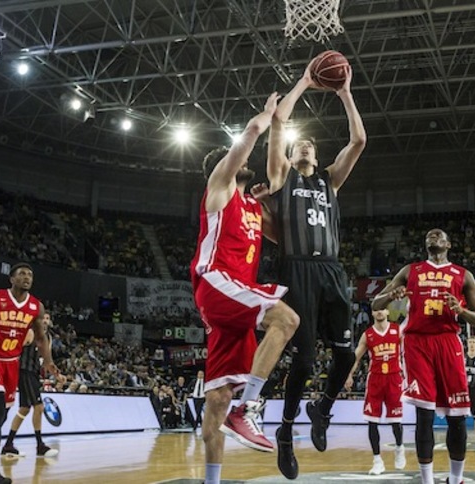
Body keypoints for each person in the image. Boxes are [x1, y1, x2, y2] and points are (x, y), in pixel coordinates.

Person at [190, 92, 300, 484]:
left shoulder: (252, 207)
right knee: (286, 319)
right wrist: (268, 118)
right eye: (241, 159)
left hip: (236, 297)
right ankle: (249, 407)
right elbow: (252, 132)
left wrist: (270, 203)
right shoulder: (218, 187)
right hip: (216, 281)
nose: (248, 162)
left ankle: (211, 480)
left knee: (217, 397)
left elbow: (285, 239)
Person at [265, 58, 366, 480]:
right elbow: (277, 124)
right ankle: (286, 434)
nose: (305, 144)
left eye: (311, 143)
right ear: (290, 154)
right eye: (299, 143)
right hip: (296, 270)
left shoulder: (329, 181)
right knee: (304, 361)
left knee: (345, 354)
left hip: (330, 271)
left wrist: (344, 93)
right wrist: (305, 81)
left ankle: (321, 407)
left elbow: (359, 140)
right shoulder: (281, 177)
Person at [371, 228, 475, 484]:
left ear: (448, 243)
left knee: (457, 417)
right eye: (429, 235)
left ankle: (455, 480)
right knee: (424, 415)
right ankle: (427, 481)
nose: (433, 236)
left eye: (438, 235)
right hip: (417, 343)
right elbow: (375, 305)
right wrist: (392, 296)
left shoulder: (463, 275)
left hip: (448, 342)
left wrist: (461, 311)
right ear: (426, 244)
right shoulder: (410, 271)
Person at [0, 263, 59, 484]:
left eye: (30, 274)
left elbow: (41, 337)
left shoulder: (36, 307)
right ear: (12, 279)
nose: (27, 277)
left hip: (12, 363)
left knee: (3, 415)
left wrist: (49, 361)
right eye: (22, 274)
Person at [344, 307, 406, 475]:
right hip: (375, 380)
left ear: (388, 312)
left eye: (383, 309)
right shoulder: (367, 335)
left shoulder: (397, 330)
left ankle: (399, 447)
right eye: (376, 309)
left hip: (394, 378)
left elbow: (407, 353)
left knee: (395, 422)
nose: (380, 312)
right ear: (372, 313)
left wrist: (409, 376)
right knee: (372, 421)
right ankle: (377, 460)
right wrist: (349, 375)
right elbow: (356, 357)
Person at [1, 312, 64, 458]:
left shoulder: (47, 338)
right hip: (24, 371)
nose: (45, 321)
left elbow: (49, 362)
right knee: (39, 407)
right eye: (43, 318)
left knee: (24, 409)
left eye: (48, 319)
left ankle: (8, 445)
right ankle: (40, 445)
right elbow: (14, 348)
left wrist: (57, 375)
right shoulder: (30, 332)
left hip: (34, 373)